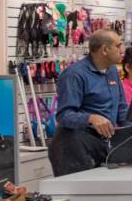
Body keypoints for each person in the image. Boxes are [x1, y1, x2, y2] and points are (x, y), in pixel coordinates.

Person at [48, 29, 127, 176]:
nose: (122, 50)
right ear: (104, 49)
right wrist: (91, 118)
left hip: (101, 144)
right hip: (72, 148)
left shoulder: (112, 71)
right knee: (80, 196)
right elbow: (64, 115)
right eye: (118, 45)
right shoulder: (75, 75)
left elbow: (121, 108)